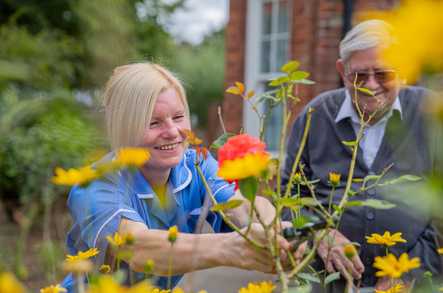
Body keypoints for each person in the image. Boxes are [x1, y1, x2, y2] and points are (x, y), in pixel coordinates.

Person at [61, 63, 293, 292]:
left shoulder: (196, 164)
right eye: (154, 122)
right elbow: (137, 248)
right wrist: (233, 248)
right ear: (124, 127)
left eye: (179, 117)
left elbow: (240, 205)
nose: (173, 132)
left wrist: (274, 230)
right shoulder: (95, 184)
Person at [282, 19, 442, 291]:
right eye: (359, 76)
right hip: (324, 281)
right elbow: (287, 195)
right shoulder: (315, 116)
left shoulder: (431, 115)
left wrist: (407, 269)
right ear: (342, 71)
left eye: (383, 74)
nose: (371, 85)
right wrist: (318, 231)